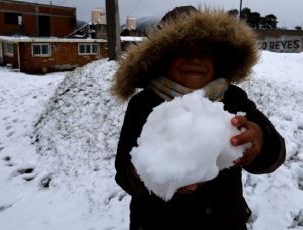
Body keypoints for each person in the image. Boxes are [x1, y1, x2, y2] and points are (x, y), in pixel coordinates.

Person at [112, 6, 286, 230]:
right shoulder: (144, 104)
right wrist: (145, 176)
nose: (195, 58)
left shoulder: (233, 99)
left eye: (205, 52)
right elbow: (123, 168)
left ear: (218, 60)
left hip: (224, 221)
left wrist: (260, 139)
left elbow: (276, 153)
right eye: (183, 50)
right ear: (163, 58)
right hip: (158, 222)